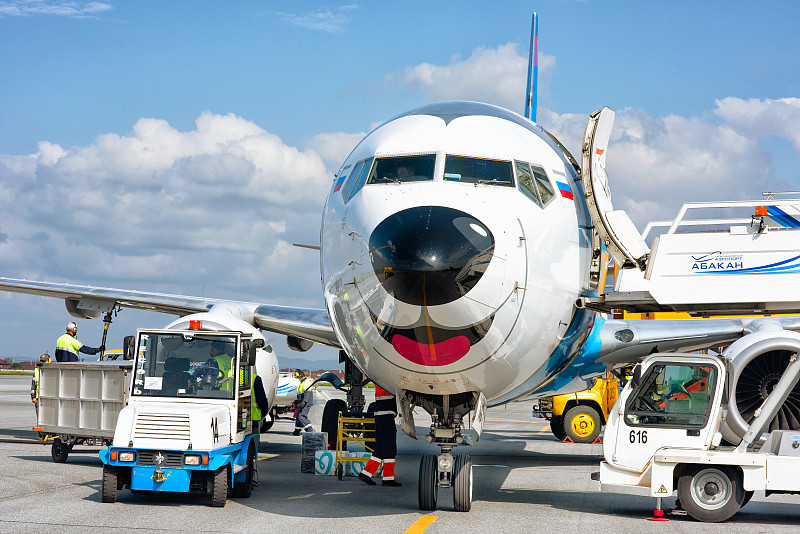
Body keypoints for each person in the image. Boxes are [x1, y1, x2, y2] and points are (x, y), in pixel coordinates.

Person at [358, 385, 401, 487]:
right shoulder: (389, 381)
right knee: (389, 448)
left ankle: (365, 474)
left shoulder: (380, 381)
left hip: (379, 415)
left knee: (380, 448)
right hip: (387, 416)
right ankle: (388, 479)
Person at [293, 371, 315, 435]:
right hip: (302, 402)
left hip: (306, 403)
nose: (298, 379)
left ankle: (310, 430)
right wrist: (297, 401)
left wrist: (304, 402)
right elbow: (301, 394)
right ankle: (297, 431)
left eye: (298, 377)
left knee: (301, 416)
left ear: (301, 376)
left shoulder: (306, 382)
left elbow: (307, 394)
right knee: (298, 417)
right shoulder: (302, 382)